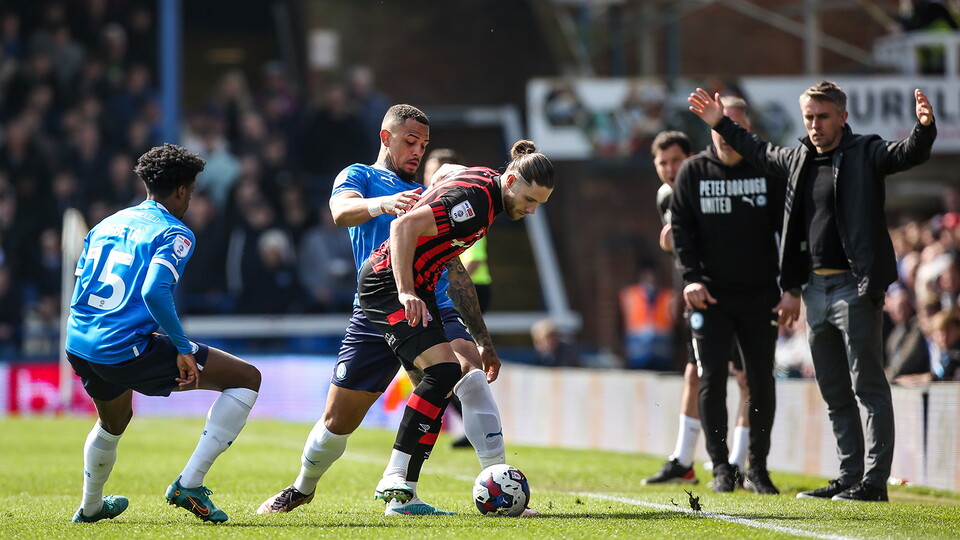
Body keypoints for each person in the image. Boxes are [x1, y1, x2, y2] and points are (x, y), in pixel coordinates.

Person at [258, 105, 527, 517]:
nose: (418, 150)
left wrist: (482, 337)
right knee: (337, 422)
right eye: (410, 141)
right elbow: (340, 211)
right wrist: (385, 204)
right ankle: (302, 487)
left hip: (431, 302)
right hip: (378, 306)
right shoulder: (360, 176)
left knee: (467, 375)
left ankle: (498, 485)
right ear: (386, 138)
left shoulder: (431, 193)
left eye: (424, 144)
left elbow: (455, 269)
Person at [688, 81, 937, 502]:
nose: (815, 125)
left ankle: (874, 482)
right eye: (809, 117)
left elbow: (906, 153)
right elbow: (757, 150)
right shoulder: (799, 156)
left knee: (868, 386)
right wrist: (721, 124)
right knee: (834, 390)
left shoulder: (866, 151)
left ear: (842, 116)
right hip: (814, 289)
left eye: (823, 116)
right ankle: (848, 476)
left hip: (854, 285)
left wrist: (924, 129)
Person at [66, 143, 262, 524]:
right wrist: (183, 347)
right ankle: (189, 484)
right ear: (182, 191)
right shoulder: (175, 232)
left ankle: (90, 506)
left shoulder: (107, 223)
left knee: (114, 421)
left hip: (79, 343)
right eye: (193, 190)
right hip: (122, 348)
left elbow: (82, 283)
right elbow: (154, 290)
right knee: (246, 379)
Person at [359, 139, 554, 509]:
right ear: (511, 180)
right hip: (386, 284)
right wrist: (404, 292)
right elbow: (401, 228)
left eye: (539, 205)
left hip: (425, 286)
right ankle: (394, 475)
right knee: (444, 372)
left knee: (456, 375)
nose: (531, 210)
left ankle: (405, 496)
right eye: (530, 200)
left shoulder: (487, 192)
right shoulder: (475, 204)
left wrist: (484, 340)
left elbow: (458, 272)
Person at [670, 96, 792, 495]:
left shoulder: (766, 170)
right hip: (710, 298)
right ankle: (722, 467)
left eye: (731, 126)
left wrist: (790, 287)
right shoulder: (693, 171)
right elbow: (681, 231)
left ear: (745, 129)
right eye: (717, 126)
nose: (724, 135)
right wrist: (691, 278)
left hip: (760, 296)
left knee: (760, 381)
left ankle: (757, 467)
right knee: (711, 380)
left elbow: (790, 232)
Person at [641, 131, 751, 487]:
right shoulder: (664, 196)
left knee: (745, 377)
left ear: (691, 157)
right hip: (696, 297)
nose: (670, 169)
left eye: (676, 160)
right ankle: (684, 460)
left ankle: (740, 461)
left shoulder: (711, 183)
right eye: (662, 163)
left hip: (734, 291)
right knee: (694, 373)